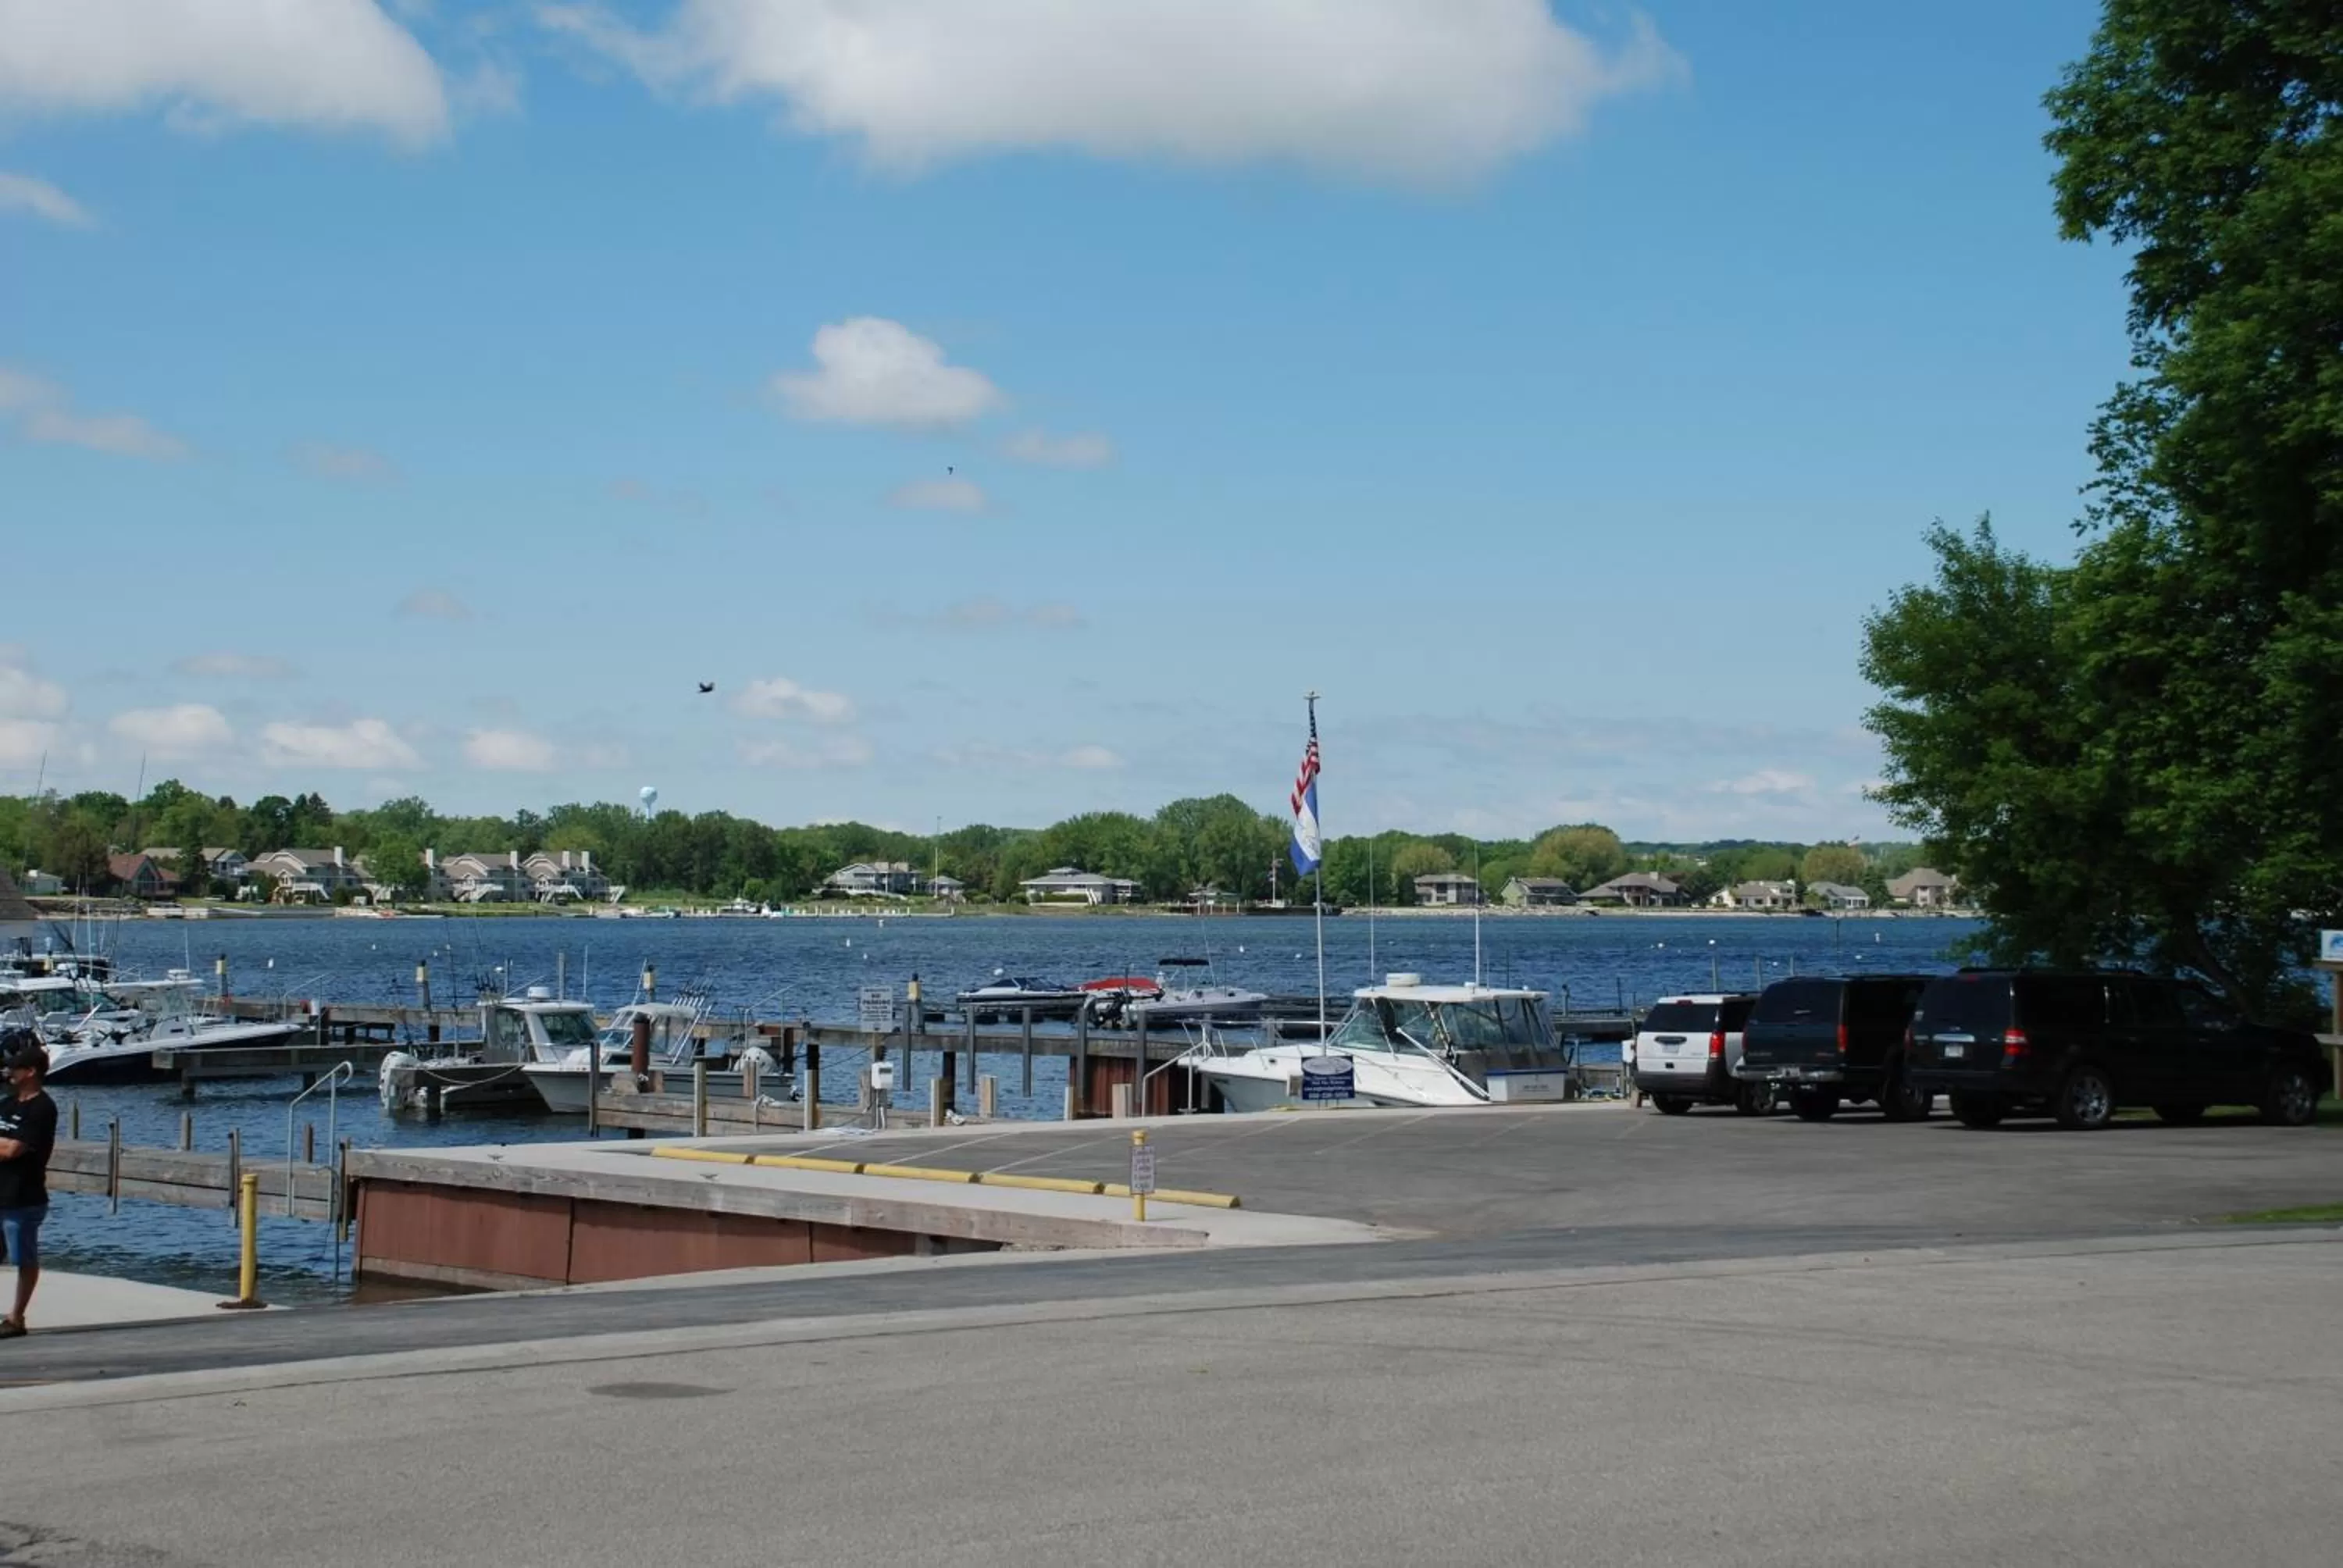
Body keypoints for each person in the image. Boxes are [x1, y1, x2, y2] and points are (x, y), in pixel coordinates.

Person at [0, 1037, 58, 1338]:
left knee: (23, 1257)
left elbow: (13, 1150)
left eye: (16, 1069)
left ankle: (17, 1316)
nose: (10, 1074)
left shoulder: (42, 1108)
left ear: (31, 1072)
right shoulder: (7, 1104)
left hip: (23, 1196)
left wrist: (6, 1145)